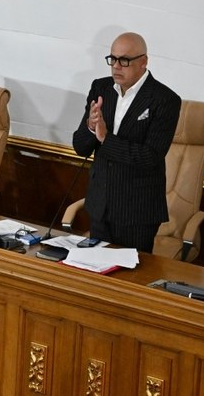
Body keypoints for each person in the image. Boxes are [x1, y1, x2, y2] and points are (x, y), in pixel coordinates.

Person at [72, 32, 181, 253]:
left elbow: (150, 157)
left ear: (143, 61)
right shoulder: (100, 88)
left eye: (124, 60)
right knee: (96, 277)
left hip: (137, 210)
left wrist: (105, 138)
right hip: (100, 205)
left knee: (129, 279)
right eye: (113, 59)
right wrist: (91, 126)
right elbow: (80, 147)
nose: (116, 67)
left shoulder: (165, 100)